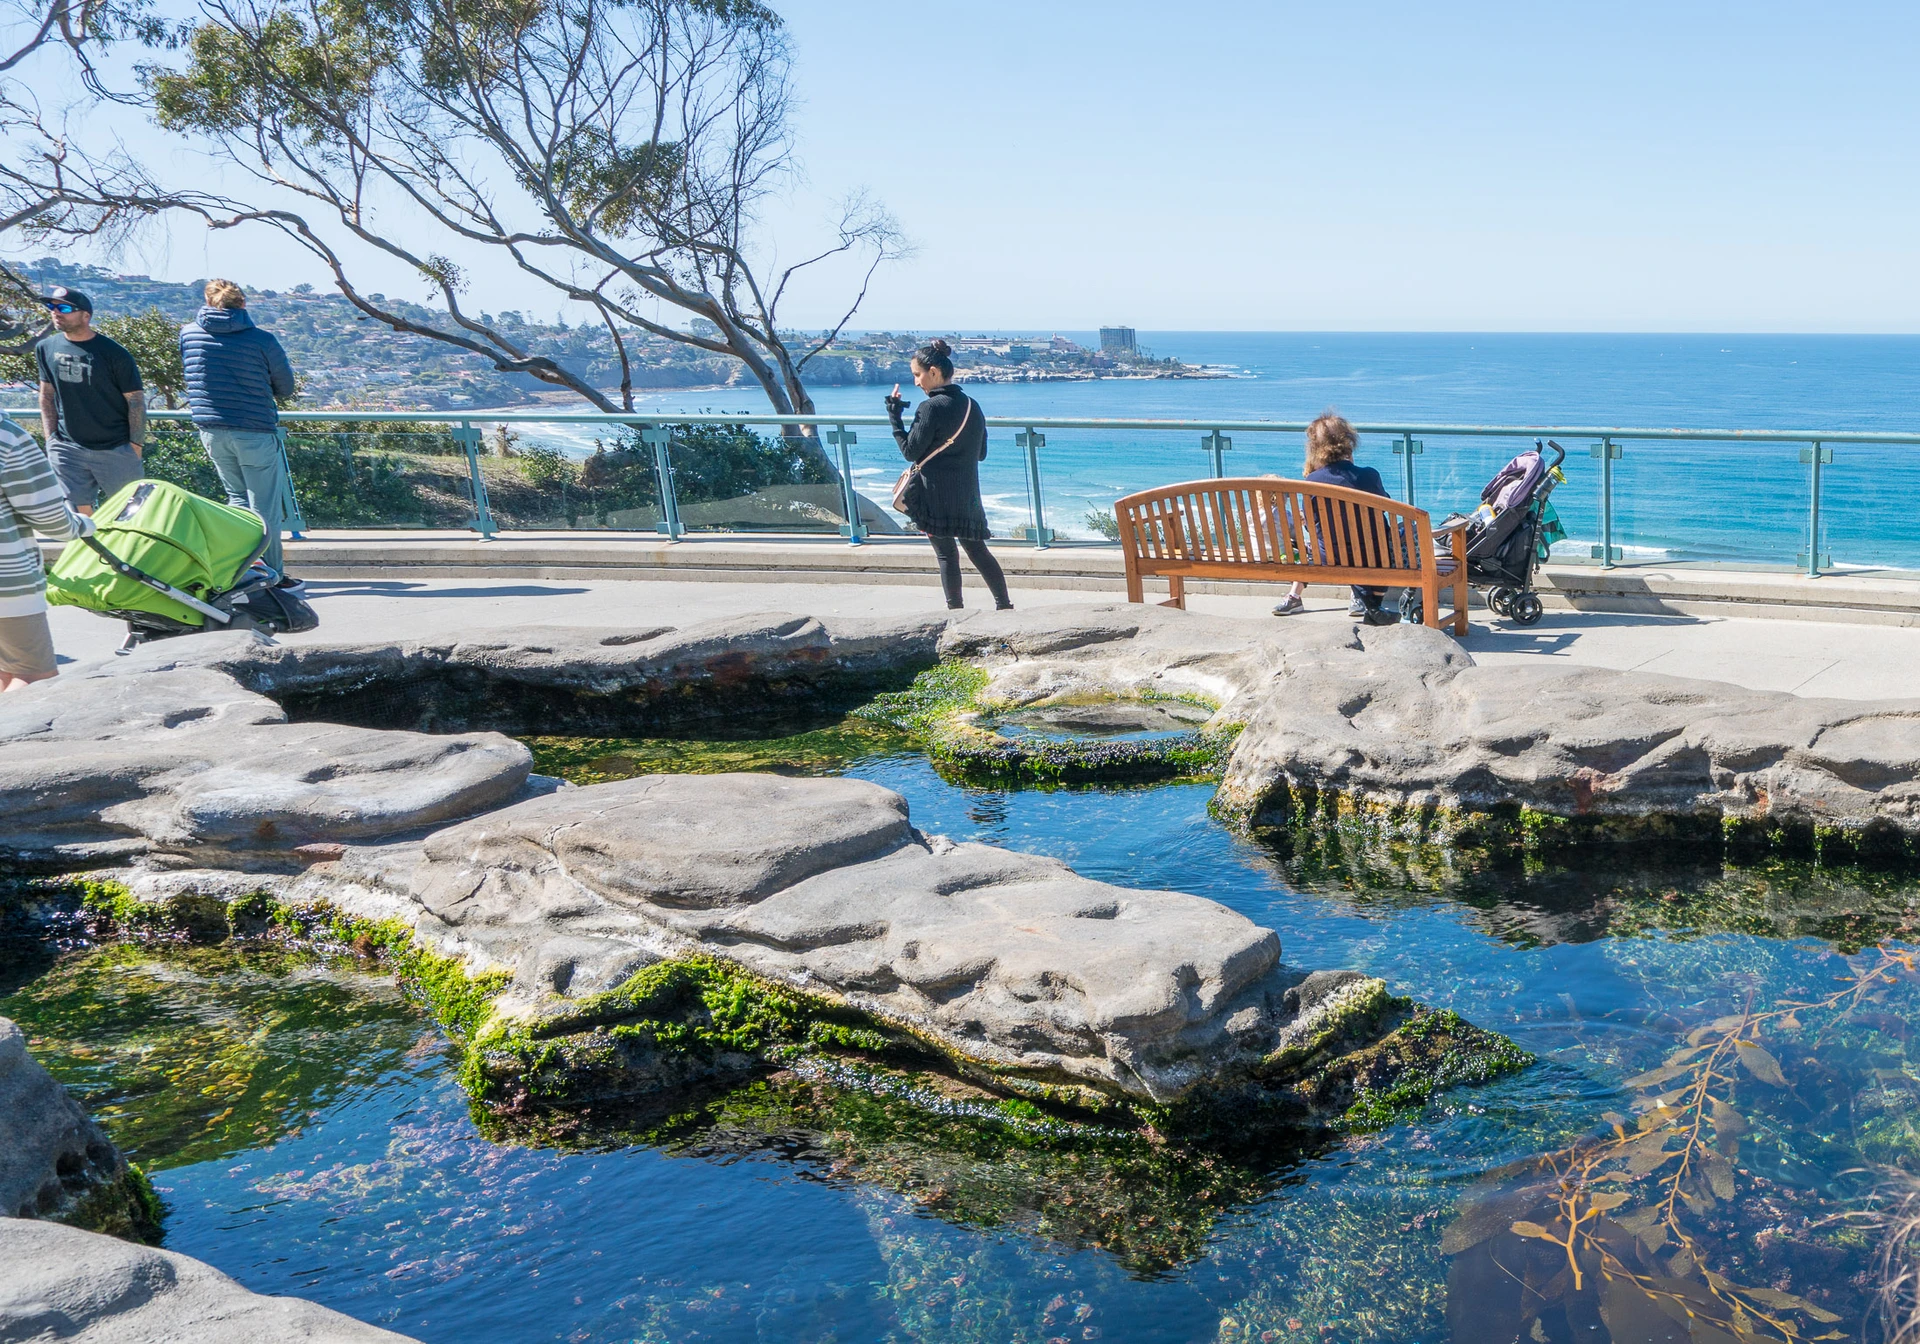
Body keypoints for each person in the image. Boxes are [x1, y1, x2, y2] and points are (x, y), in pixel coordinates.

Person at [180, 279, 298, 585]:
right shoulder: (262, 340)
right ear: (242, 304)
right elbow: (285, 387)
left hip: (211, 430)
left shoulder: (189, 334)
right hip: (254, 429)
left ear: (207, 302)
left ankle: (243, 572)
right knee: (265, 510)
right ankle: (273, 576)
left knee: (237, 504)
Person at [887, 338, 1012, 612]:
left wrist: (895, 417)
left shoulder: (930, 407)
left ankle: (956, 613)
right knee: (979, 552)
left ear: (933, 371)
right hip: (967, 493)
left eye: (917, 375)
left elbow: (910, 451)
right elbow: (981, 453)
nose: (916, 382)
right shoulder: (971, 405)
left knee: (946, 555)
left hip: (935, 494)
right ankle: (1004, 607)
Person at [1271, 411, 1398, 625]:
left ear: (1315, 448)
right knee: (1396, 537)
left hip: (1329, 555)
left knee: (1326, 545)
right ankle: (1373, 604)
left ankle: (1369, 605)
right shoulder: (1370, 476)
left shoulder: (1312, 481)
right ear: (1349, 442)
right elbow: (1384, 505)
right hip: (1375, 555)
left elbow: (1311, 525)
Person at [0, 411, 93, 691]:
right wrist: (81, 526)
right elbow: (48, 516)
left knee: (6, 674)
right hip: (7, 583)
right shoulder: (7, 435)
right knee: (33, 678)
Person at [35, 285, 146, 516]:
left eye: (64, 308)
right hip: (67, 448)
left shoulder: (114, 353)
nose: (56, 312)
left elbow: (135, 400)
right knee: (78, 517)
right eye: (51, 307)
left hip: (115, 448)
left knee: (133, 514)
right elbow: (46, 395)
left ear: (86, 316)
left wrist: (135, 446)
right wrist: (51, 439)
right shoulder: (46, 348)